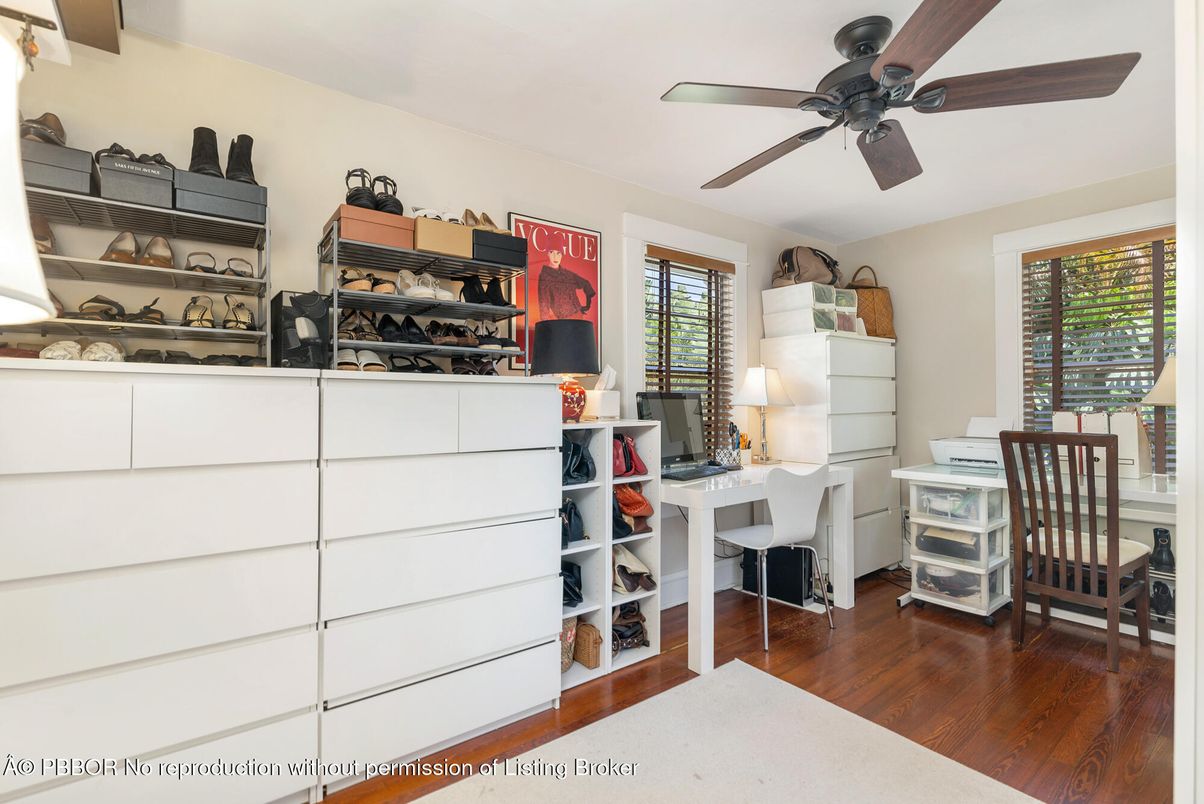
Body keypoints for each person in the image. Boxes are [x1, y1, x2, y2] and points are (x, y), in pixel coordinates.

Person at [537, 231, 595, 320]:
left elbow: (586, 283)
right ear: (547, 253)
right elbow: (544, 305)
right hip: (564, 320)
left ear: (562, 255)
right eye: (552, 252)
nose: (555, 257)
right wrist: (546, 327)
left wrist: (588, 305)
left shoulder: (568, 274)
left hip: (579, 316)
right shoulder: (544, 276)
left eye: (558, 253)